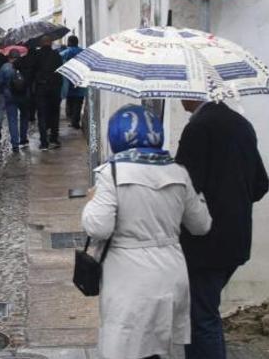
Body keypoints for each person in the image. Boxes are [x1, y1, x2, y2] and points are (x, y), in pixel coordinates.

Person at [82, 104, 212, 359]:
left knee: (126, 345)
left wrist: (90, 201)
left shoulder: (112, 173)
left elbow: (98, 227)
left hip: (128, 275)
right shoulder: (178, 172)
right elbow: (201, 226)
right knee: (166, 347)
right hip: (171, 272)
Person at [176, 100, 269, 359]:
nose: (179, 97)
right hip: (236, 238)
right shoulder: (241, 125)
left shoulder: (198, 128)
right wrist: (234, 204)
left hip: (205, 242)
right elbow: (261, 184)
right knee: (205, 311)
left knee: (201, 318)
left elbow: (184, 188)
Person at [26, 35, 63, 150]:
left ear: (41, 44)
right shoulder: (57, 55)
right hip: (55, 89)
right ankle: (54, 138)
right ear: (51, 43)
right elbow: (61, 72)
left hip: (41, 88)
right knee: (55, 114)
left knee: (41, 115)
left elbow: (31, 72)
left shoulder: (36, 55)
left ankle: (43, 143)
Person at [0, 50, 30, 152]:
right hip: (24, 96)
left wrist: (3, 89)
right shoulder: (25, 65)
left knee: (12, 119)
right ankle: (23, 139)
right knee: (24, 117)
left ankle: (15, 144)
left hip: (10, 96)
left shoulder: (5, 67)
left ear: (9, 57)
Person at [60, 35, 86, 129]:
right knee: (78, 102)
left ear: (69, 42)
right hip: (81, 79)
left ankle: (72, 119)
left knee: (70, 101)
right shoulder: (83, 52)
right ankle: (76, 122)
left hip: (69, 80)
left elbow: (58, 59)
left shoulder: (67, 52)